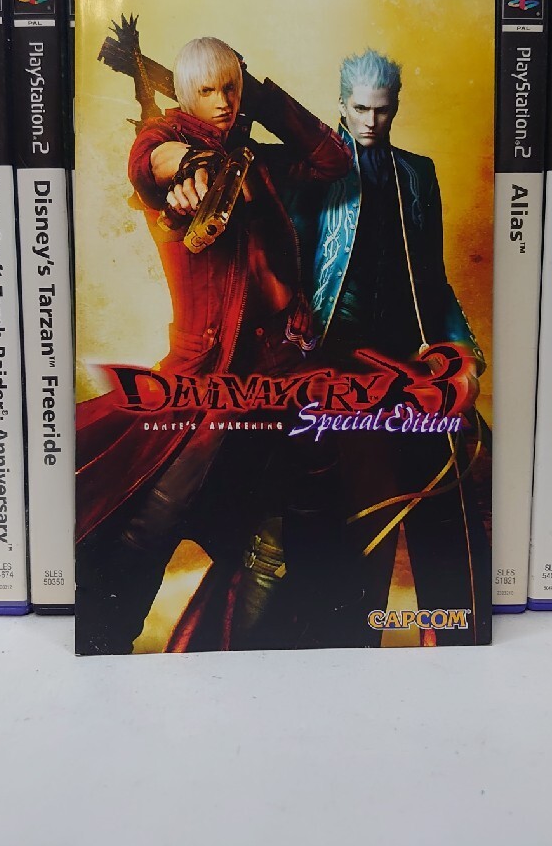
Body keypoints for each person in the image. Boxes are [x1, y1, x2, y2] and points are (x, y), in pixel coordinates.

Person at [75, 36, 352, 655]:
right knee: (155, 520)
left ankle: (251, 652)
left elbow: (333, 161)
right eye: (208, 90)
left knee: (289, 523)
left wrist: (260, 99)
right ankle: (105, 642)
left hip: (284, 372)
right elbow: (155, 161)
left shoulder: (258, 163)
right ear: (183, 94)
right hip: (207, 377)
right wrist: (191, 169)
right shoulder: (165, 140)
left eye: (232, 89)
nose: (224, 102)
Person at [282, 48, 492, 646]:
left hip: (411, 356)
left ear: (396, 106)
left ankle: (451, 635)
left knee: (452, 475)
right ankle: (348, 641)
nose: (370, 121)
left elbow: (436, 281)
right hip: (336, 359)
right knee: (358, 506)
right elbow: (292, 265)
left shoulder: (418, 175)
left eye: (381, 109)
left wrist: (464, 354)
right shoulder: (314, 171)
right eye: (359, 109)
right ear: (341, 105)